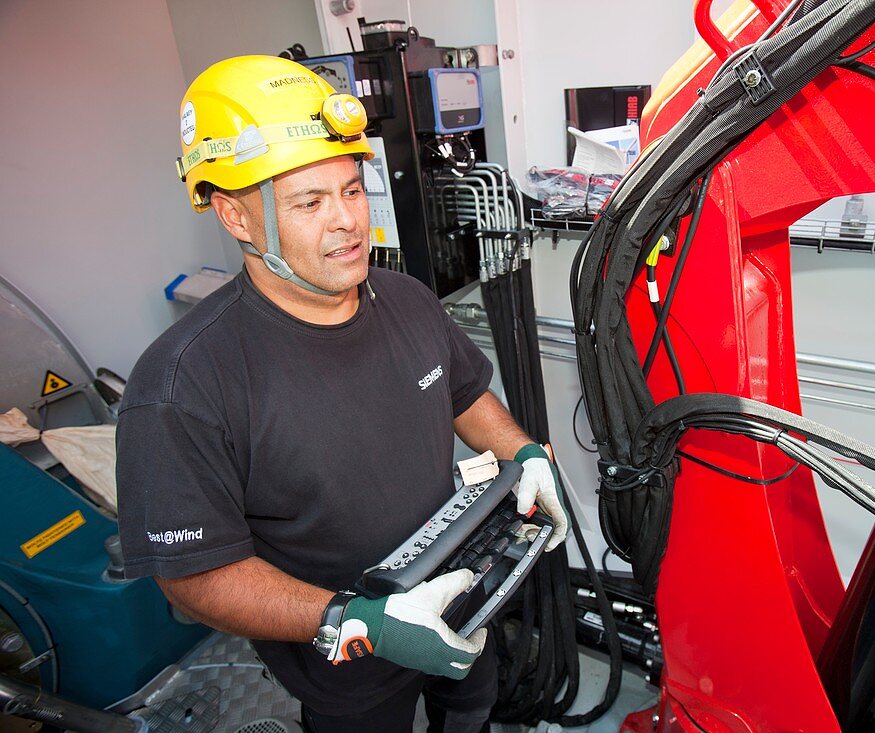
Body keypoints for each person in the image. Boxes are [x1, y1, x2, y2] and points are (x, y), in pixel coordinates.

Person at [115, 55, 569, 733]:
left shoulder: (407, 299)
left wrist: (526, 453)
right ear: (236, 215)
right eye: (310, 201)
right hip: (345, 654)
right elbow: (195, 575)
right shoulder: (183, 384)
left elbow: (465, 394)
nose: (348, 221)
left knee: (471, 706)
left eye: (352, 190)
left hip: (457, 592)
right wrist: (358, 619)